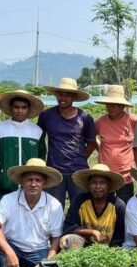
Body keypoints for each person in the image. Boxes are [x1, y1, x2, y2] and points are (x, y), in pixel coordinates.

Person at [0, 158, 64, 267]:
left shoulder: (54, 204)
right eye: (29, 180)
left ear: (44, 184)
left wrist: (47, 262)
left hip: (40, 251)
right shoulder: (9, 199)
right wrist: (9, 252)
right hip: (12, 246)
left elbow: (56, 238)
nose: (33, 184)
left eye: (38, 180)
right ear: (22, 182)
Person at [38, 77, 97, 206]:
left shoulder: (85, 118)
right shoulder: (46, 115)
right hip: (54, 170)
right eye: (60, 94)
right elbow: (39, 140)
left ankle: (77, 227)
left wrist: (79, 157)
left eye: (68, 95)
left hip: (78, 171)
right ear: (56, 95)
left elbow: (92, 144)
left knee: (80, 208)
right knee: (54, 208)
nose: (63, 98)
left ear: (74, 97)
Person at [0, 89, 46, 203]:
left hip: (30, 187)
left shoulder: (37, 131)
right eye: (16, 107)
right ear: (11, 108)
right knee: (5, 219)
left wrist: (37, 177)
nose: (20, 110)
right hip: (6, 186)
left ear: (29, 109)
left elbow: (41, 156)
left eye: (24, 107)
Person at [63, 164, 127, 247]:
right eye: (94, 182)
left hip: (109, 249)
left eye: (102, 182)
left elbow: (119, 238)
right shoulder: (79, 200)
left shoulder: (118, 206)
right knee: (69, 240)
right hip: (82, 246)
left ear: (108, 185)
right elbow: (68, 228)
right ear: (89, 184)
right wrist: (91, 232)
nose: (98, 186)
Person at [94, 85, 137, 203]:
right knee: (104, 206)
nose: (111, 106)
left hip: (126, 175)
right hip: (105, 173)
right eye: (109, 103)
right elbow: (90, 139)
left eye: (115, 104)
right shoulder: (99, 122)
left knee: (125, 207)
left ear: (122, 105)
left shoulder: (133, 120)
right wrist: (101, 151)